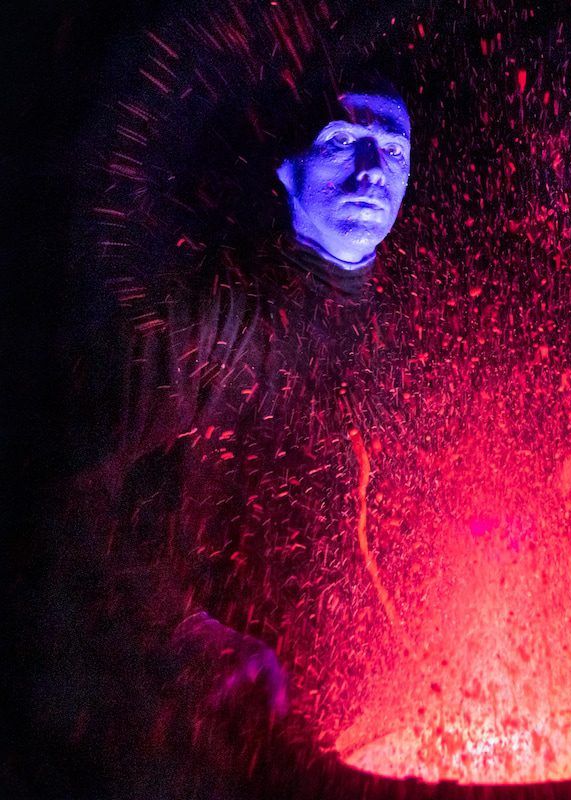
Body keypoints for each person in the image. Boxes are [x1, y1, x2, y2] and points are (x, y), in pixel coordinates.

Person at [43, 86, 413, 790]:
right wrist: (188, 634)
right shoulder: (211, 315)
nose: (372, 170)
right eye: (342, 141)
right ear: (286, 167)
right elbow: (67, 488)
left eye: (393, 150)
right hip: (235, 749)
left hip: (391, 721)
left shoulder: (414, 328)